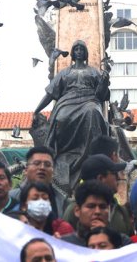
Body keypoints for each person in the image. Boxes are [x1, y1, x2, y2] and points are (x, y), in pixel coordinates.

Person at [32, 41, 113, 195]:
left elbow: (101, 96)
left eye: (81, 48)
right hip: (67, 102)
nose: (78, 51)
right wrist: (37, 110)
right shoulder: (64, 73)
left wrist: (104, 82)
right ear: (72, 53)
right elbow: (50, 94)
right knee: (60, 118)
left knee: (93, 113)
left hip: (89, 100)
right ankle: (61, 154)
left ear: (85, 52)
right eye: (76, 49)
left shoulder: (94, 72)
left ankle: (94, 154)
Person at [63, 154, 132, 235]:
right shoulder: (73, 210)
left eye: (103, 207)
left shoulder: (120, 210)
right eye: (114, 173)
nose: (117, 177)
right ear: (101, 178)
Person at [60, 180, 131, 247]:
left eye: (103, 207)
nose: (97, 211)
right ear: (77, 211)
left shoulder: (123, 243)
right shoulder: (65, 245)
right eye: (91, 206)